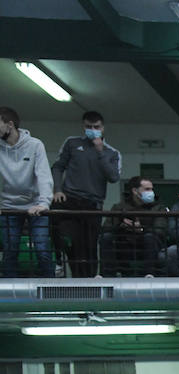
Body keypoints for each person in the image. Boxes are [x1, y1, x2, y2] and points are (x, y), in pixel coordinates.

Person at [51, 110, 121, 277]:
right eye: (88, 126)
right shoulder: (72, 143)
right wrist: (57, 189)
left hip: (92, 203)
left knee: (88, 248)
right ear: (83, 126)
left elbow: (113, 177)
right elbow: (58, 166)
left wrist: (100, 151)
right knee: (65, 236)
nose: (92, 129)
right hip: (69, 199)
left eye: (96, 127)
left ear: (103, 128)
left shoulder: (112, 153)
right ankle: (58, 261)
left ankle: (87, 283)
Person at [0, 106, 54, 278]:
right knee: (10, 251)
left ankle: (51, 291)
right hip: (8, 206)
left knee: (42, 250)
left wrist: (44, 203)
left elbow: (44, 175)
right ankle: (11, 298)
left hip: (36, 205)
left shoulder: (35, 145)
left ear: (9, 125)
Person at [100, 176, 166, 277]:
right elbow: (106, 227)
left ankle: (149, 274)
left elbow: (160, 230)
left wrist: (141, 229)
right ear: (135, 191)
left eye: (151, 189)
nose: (151, 192)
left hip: (147, 246)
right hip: (124, 246)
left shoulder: (158, 208)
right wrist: (121, 226)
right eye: (147, 189)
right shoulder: (120, 207)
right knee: (106, 237)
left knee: (150, 238)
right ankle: (107, 276)